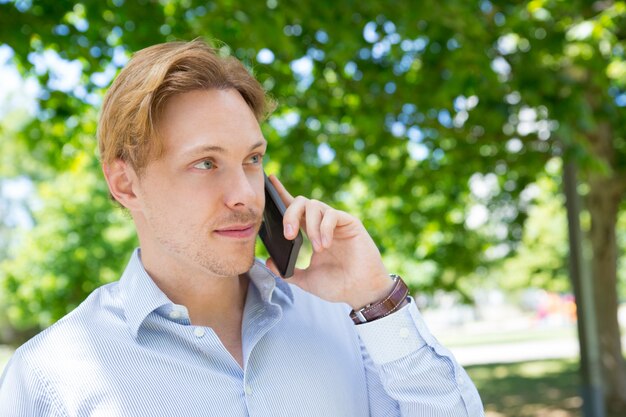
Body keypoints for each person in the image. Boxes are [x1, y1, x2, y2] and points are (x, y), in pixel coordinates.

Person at [0, 39, 484, 416]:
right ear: (125, 183)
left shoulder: (349, 318)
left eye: (252, 159)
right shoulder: (51, 374)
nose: (246, 196)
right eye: (206, 163)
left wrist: (379, 301)